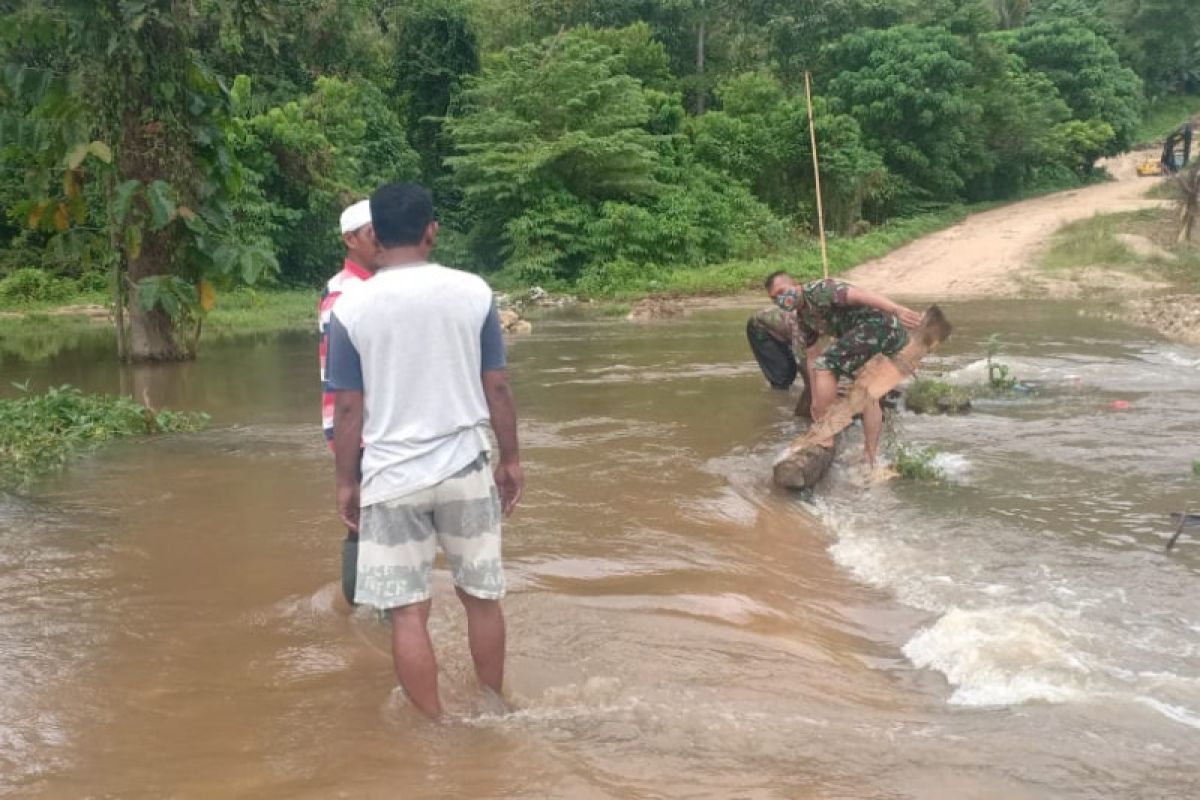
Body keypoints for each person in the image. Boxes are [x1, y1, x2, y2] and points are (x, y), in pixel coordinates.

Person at [326, 182, 523, 719]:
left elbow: (347, 409)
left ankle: (434, 726)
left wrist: (347, 481)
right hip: (466, 466)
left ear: (376, 236)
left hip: (391, 477)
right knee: (482, 597)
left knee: (408, 613)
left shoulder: (351, 307)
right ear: (432, 230)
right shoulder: (474, 292)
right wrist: (511, 461)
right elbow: (497, 386)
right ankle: (492, 707)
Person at [764, 271, 922, 466]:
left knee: (827, 365)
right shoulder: (802, 319)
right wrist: (815, 400)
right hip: (869, 335)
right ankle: (870, 456)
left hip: (878, 326)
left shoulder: (820, 290)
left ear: (796, 285)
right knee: (867, 392)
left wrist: (896, 309)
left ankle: (827, 435)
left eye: (782, 291)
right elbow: (812, 357)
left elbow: (861, 295)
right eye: (774, 298)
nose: (780, 299)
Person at [319, 200, 376, 606]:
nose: (384, 241)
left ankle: (364, 615)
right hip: (361, 429)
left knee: (369, 524)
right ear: (350, 239)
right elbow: (345, 390)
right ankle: (368, 614)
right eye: (374, 233)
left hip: (370, 426)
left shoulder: (370, 287)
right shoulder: (344, 294)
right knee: (364, 522)